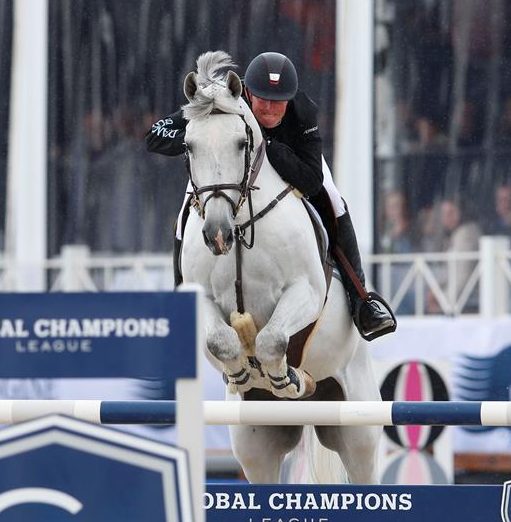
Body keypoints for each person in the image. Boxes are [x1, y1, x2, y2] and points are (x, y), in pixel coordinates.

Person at [146, 52, 396, 340]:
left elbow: (312, 182)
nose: (270, 109)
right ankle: (183, 297)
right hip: (226, 172)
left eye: (279, 101)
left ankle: (361, 300)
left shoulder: (303, 111)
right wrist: (201, 137)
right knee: (184, 211)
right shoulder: (226, 98)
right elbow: (155, 136)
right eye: (262, 99)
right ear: (247, 92)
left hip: (291, 161)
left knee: (334, 200)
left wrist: (271, 148)